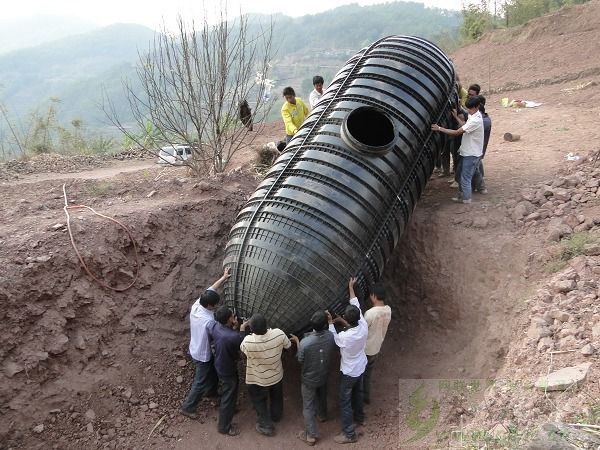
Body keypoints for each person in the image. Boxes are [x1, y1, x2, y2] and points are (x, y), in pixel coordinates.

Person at [180, 267, 231, 419]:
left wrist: (224, 277)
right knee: (200, 381)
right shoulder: (209, 321)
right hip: (202, 354)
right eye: (215, 303)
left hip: (194, 348)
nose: (216, 304)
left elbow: (212, 288)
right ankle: (188, 407)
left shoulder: (197, 305)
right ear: (210, 306)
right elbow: (220, 334)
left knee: (212, 373)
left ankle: (212, 392)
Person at [327, 277, 368, 444]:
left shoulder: (345, 337)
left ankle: (349, 434)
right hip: (361, 366)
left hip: (349, 371)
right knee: (358, 393)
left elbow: (334, 338)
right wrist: (351, 286)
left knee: (345, 401)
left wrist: (330, 323)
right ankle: (360, 418)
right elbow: (355, 301)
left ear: (346, 317)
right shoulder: (363, 324)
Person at [240, 313, 292, 436]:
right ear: (267, 324)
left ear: (251, 330)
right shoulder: (278, 333)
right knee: (276, 396)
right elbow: (289, 347)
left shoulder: (248, 341)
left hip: (257, 378)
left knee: (259, 400)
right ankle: (276, 416)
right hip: (276, 375)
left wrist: (242, 329)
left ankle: (265, 425)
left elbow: (242, 353)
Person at [290, 311, 335, 446]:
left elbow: (300, 359)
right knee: (322, 393)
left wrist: (298, 342)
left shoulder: (305, 342)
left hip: (309, 379)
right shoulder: (331, 336)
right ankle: (322, 415)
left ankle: (311, 435)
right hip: (323, 373)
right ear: (326, 324)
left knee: (308, 406)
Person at [431, 95, 484, 204]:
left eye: (470, 108)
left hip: (471, 154)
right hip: (467, 152)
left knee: (466, 177)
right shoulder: (473, 115)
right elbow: (464, 125)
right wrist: (456, 117)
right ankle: (464, 195)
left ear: (477, 107)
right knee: (460, 174)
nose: (468, 110)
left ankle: (466, 199)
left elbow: (457, 132)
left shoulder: (476, 120)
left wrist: (439, 128)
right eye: (467, 108)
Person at [209, 306, 248, 436]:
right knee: (229, 395)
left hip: (219, 363)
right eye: (232, 316)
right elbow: (242, 343)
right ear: (229, 319)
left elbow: (231, 337)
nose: (234, 317)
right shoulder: (232, 336)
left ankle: (225, 406)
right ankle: (224, 427)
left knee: (227, 388)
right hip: (228, 369)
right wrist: (242, 329)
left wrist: (234, 327)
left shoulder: (215, 326)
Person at [362, 283, 391, 405]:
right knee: (368, 374)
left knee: (359, 375)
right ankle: (366, 397)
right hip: (377, 347)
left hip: (366, 349)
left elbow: (362, 332)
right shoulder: (388, 310)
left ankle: (359, 399)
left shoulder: (370, 313)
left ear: (373, 296)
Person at [472, 95, 491, 194]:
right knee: (477, 165)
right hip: (477, 148)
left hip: (478, 148)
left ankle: (481, 187)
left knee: (475, 166)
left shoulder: (484, 121)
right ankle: (478, 186)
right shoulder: (483, 119)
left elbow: (467, 129)